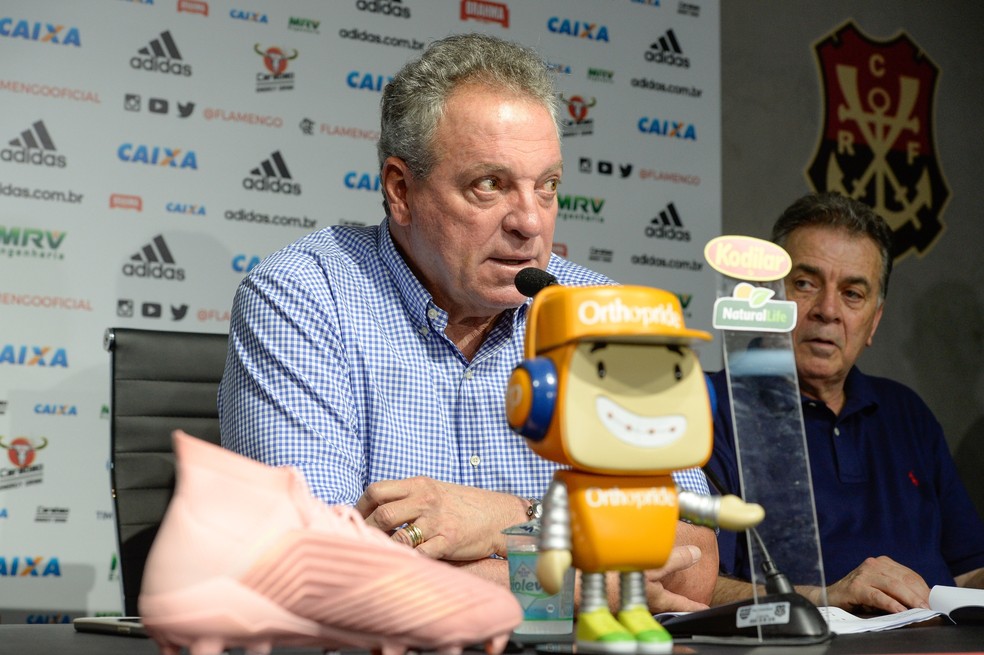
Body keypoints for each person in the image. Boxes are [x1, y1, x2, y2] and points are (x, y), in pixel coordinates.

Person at [218, 33, 717, 612]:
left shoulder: (603, 311)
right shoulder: (307, 297)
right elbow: (318, 573)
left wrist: (511, 520)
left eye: (547, 186)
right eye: (491, 184)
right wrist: (581, 583)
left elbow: (695, 564)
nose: (530, 222)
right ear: (400, 191)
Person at [707, 192, 984, 613]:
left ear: (873, 321)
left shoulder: (908, 412)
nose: (828, 310)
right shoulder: (712, 408)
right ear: (764, 296)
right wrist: (825, 599)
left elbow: (967, 571)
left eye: (853, 293)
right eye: (804, 284)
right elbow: (695, 587)